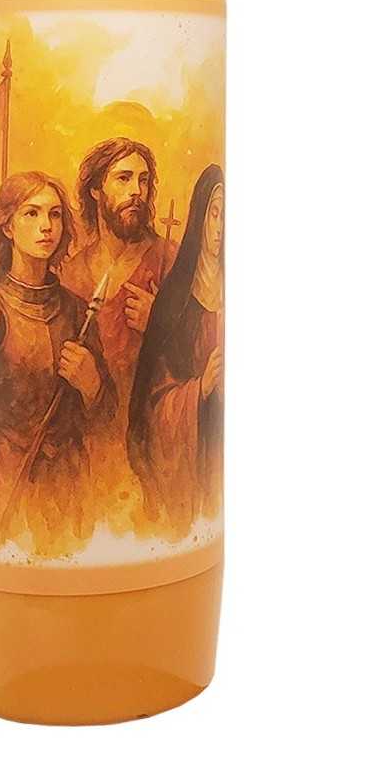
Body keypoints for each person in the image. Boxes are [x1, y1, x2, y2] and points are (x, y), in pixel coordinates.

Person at [0, 171, 115, 553]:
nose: (46, 226)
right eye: (32, 213)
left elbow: (107, 416)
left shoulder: (78, 311)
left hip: (68, 486)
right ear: (8, 226)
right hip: (3, 476)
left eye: (55, 214)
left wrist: (91, 384)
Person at [60, 138, 176, 511]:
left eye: (143, 180)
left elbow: (203, 364)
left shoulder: (170, 262)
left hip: (148, 457)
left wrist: (160, 326)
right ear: (96, 189)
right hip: (83, 463)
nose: (136, 191)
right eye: (123, 179)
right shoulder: (70, 274)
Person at [128, 164, 224, 533]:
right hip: (188, 451)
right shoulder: (174, 302)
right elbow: (152, 403)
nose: (221, 227)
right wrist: (200, 388)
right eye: (214, 214)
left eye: (227, 215)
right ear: (200, 217)